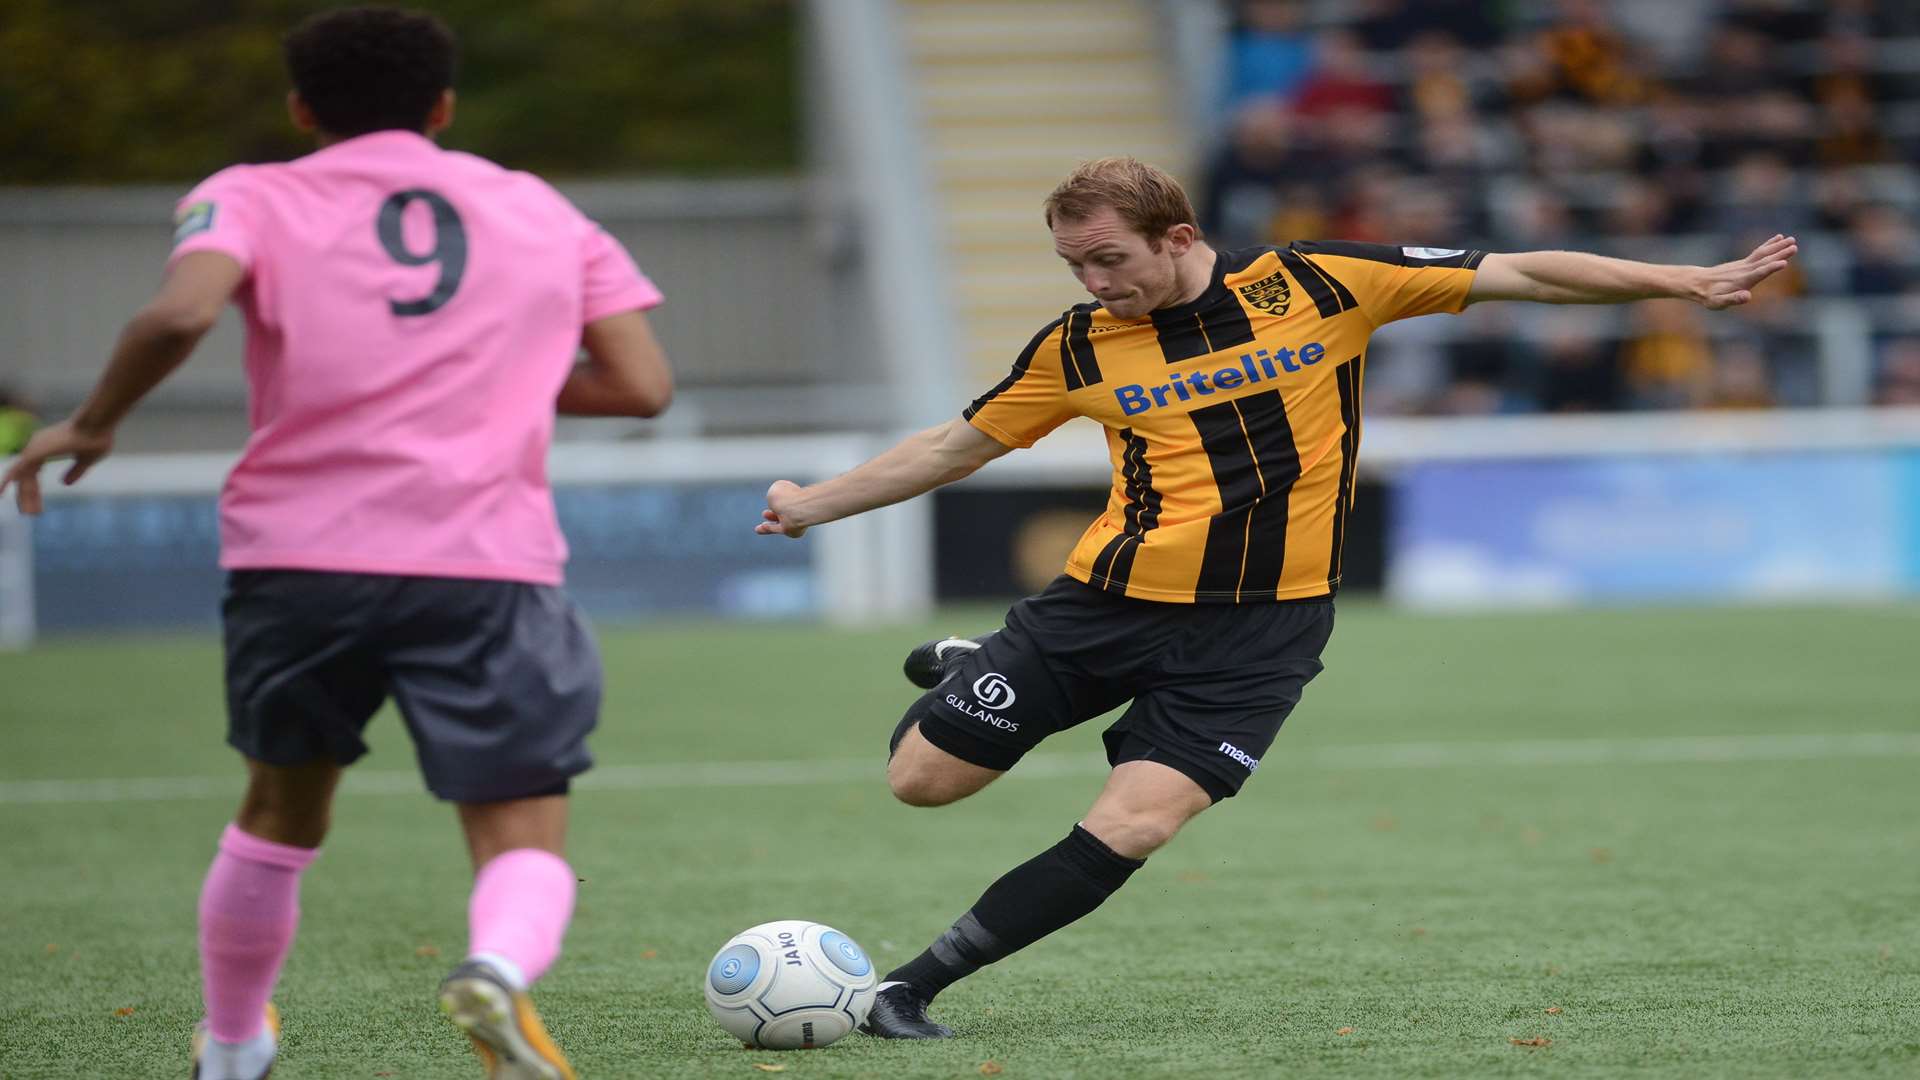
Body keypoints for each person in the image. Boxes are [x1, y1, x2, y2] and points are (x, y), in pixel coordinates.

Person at [754, 155, 1794, 1038]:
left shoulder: (1321, 283)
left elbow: (1519, 271)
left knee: (1138, 824)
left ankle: (908, 988)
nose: (1094, 281)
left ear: (1178, 236)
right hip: (1104, 605)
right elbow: (953, 445)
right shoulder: (1075, 347)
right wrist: (812, 506)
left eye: (1109, 258)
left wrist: (1680, 281)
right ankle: (980, 664)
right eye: (1075, 264)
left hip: (1263, 633)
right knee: (923, 785)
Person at [0, 8, 672, 1079]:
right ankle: (496, 968)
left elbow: (179, 317)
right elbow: (642, 385)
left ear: (301, 108)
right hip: (484, 563)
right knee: (522, 833)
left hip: (299, 559)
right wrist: (485, 382)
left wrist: (94, 419)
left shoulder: (250, 193)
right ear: (443, 106)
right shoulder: (540, 208)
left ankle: (232, 1047)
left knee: (277, 814)